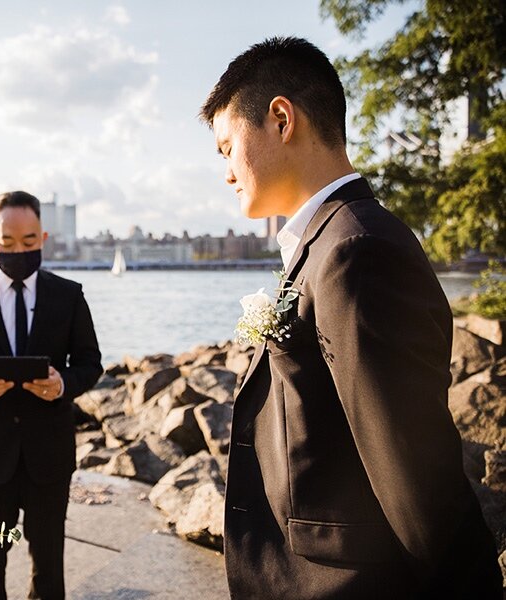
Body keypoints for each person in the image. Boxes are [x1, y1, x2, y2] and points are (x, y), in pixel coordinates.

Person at [199, 37, 502, 598]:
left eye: (226, 148)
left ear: (281, 119)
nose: (226, 172)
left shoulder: (355, 251)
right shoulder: (328, 241)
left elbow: (414, 473)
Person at [0, 191, 102, 600]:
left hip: (50, 449)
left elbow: (90, 362)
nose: (18, 251)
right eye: (7, 243)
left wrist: (62, 384)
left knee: (49, 558)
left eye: (28, 242)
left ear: (42, 238)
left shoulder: (69, 294)